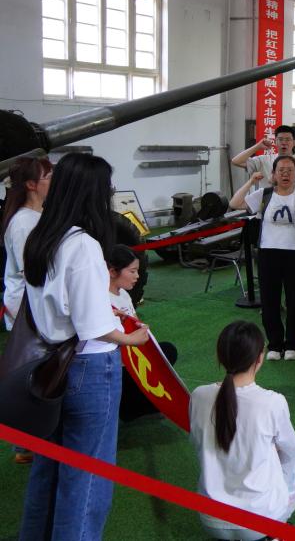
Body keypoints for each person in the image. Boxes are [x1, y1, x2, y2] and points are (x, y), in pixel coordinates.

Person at [19, 153, 150, 540]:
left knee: (48, 468)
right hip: (89, 368)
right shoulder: (84, 245)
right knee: (88, 477)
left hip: (50, 364)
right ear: (92, 193)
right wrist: (131, 338)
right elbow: (93, 326)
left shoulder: (40, 236)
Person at [190, 321, 295, 541]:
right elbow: (293, 450)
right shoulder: (272, 402)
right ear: (259, 358)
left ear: (220, 356)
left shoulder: (198, 395)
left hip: (210, 518)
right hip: (260, 520)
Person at [229, 156, 295, 361]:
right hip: (269, 254)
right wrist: (251, 181)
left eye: (290, 170)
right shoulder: (264, 194)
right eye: (281, 170)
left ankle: (292, 344)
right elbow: (235, 203)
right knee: (270, 302)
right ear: (274, 174)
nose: (285, 174)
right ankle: (275, 344)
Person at [1, 156, 52, 464]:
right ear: (32, 185)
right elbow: (31, 270)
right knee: (28, 375)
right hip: (27, 309)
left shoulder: (40, 215)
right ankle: (23, 443)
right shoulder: (22, 222)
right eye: (48, 177)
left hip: (37, 307)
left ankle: (34, 438)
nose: (53, 182)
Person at [104, 244, 179, 422]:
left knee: (167, 351)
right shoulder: (102, 298)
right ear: (113, 272)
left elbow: (136, 325)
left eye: (137, 271)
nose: (137, 276)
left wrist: (142, 330)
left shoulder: (123, 294)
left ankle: (135, 405)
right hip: (117, 362)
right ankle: (129, 405)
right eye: (132, 271)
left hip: (133, 356)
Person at [231, 125, 295, 189]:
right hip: (267, 202)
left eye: (287, 139)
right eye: (280, 139)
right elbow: (236, 161)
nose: (284, 143)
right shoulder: (263, 160)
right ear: (275, 141)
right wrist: (257, 146)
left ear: (294, 142)